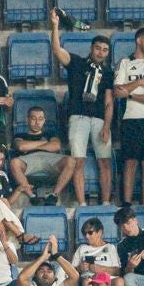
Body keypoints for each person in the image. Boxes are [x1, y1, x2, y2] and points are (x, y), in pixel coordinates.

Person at [50, 11, 114, 205]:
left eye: (105, 50)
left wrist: (107, 126)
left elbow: (109, 102)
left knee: (105, 161)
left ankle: (105, 203)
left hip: (100, 119)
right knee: (78, 161)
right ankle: (82, 204)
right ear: (91, 48)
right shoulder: (77, 63)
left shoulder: (108, 73)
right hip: (78, 117)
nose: (100, 53)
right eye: (98, 48)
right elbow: (57, 50)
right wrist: (55, 26)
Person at [115, 28, 144, 206]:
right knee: (130, 161)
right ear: (138, 40)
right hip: (130, 118)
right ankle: (127, 202)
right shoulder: (125, 62)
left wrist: (129, 90)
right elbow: (118, 92)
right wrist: (141, 82)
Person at [9, 106, 65, 205]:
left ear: (44, 121)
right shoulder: (20, 135)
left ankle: (54, 195)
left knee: (71, 161)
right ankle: (32, 196)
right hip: (28, 160)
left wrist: (30, 145)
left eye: (40, 119)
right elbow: (21, 147)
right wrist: (44, 143)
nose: (37, 122)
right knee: (14, 162)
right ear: (27, 120)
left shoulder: (50, 134)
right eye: (33, 118)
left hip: (50, 160)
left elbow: (56, 146)